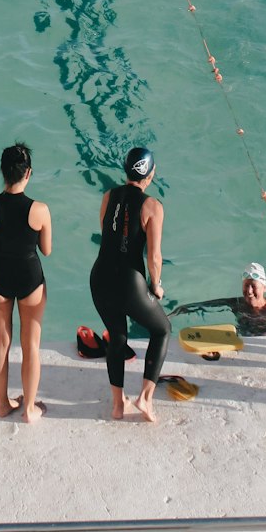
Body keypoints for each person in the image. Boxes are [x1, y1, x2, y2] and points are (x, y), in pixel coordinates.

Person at [89, 146, 170, 422]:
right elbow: (154, 257)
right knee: (162, 329)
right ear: (152, 173)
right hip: (129, 281)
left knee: (117, 335)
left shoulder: (108, 196)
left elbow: (108, 236)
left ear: (126, 169)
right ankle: (145, 399)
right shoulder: (153, 206)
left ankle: (117, 405)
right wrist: (156, 286)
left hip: (100, 277)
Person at [0, 143, 52, 422]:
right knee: (31, 345)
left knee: (0, 342)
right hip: (30, 278)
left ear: (3, 172)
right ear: (28, 173)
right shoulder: (40, 209)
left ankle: (2, 404)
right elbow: (46, 249)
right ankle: (30, 409)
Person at [171, 261, 266, 336]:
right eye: (246, 286)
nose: (249, 291)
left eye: (254, 286)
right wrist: (176, 312)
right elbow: (203, 305)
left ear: (264, 288)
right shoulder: (236, 303)